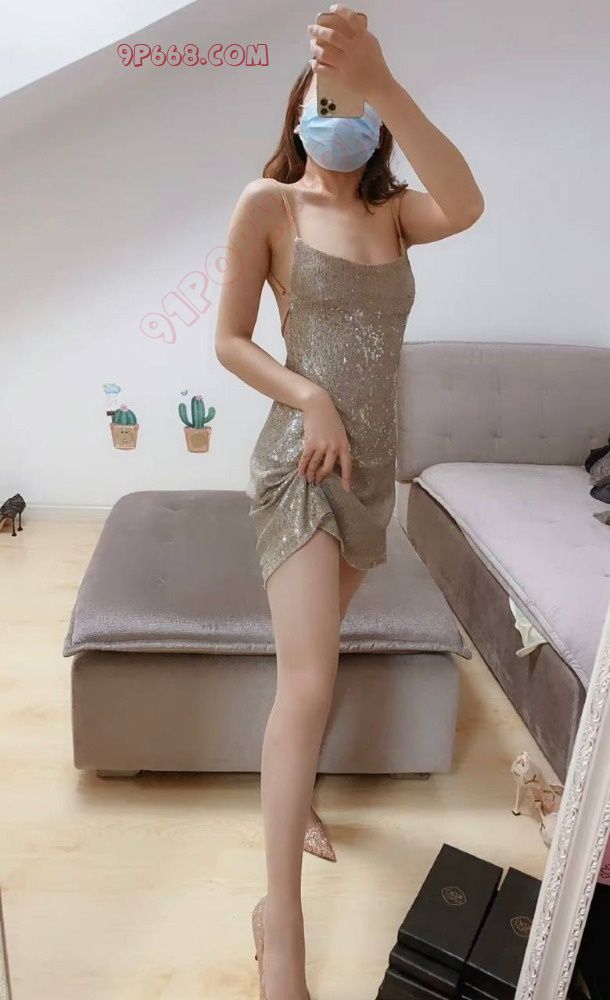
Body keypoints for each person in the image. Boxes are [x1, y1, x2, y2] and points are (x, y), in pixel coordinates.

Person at [214, 7, 484, 998]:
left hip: (372, 475)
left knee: (312, 669)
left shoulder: (396, 211)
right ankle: (278, 924)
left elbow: (470, 202)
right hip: (302, 467)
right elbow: (230, 341)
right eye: (330, 100)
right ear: (300, 113)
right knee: (309, 682)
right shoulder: (269, 204)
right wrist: (310, 396)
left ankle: (298, 801)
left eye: (360, 105)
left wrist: (385, 81)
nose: (346, 117)